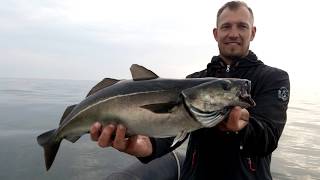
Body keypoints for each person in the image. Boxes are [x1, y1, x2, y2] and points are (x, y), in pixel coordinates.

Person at [90, 1, 290, 179]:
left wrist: (243, 128)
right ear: (216, 33)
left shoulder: (273, 78)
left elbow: (269, 137)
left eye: (242, 26)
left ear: (253, 32)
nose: (233, 33)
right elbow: (171, 131)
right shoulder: (194, 80)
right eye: (226, 26)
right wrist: (145, 148)